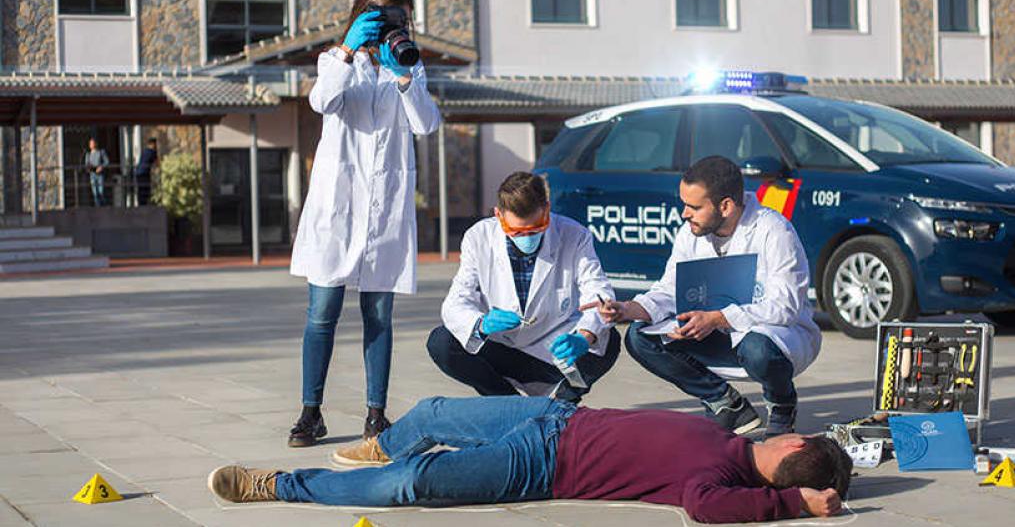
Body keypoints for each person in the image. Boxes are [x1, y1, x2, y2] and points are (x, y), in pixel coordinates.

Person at [208, 396, 851, 523]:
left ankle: (279, 485)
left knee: (409, 485)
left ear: (794, 446)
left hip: (539, 464)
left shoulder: (718, 477)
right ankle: (383, 442)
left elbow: (705, 509)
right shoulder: (726, 438)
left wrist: (793, 503)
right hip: (553, 413)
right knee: (431, 413)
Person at [286, 0, 440, 448]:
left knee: (379, 316)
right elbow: (321, 101)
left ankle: (376, 413)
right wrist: (348, 51)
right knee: (322, 314)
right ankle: (310, 413)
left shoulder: (408, 64)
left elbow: (426, 124)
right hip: (337, 210)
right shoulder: (336, 61)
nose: (398, 26)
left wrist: (404, 77)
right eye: (389, 17)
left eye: (403, 19)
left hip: (383, 212)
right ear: (365, 16)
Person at [586, 156, 821, 437]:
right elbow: (669, 289)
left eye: (694, 207)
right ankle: (725, 403)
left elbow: (786, 307)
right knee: (639, 337)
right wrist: (628, 308)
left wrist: (718, 318)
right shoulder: (691, 233)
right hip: (714, 332)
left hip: (774, 338)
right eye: (684, 204)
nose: (684, 214)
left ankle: (781, 403)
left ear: (726, 206)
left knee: (757, 349)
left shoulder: (774, 230)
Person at [420, 173, 617, 402]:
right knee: (442, 343)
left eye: (536, 229)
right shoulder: (478, 237)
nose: (526, 238)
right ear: (498, 215)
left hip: (553, 351)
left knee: (608, 339)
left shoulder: (575, 235)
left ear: (547, 209)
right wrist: (481, 324)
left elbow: (598, 293)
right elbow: (455, 303)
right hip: (502, 349)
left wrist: (584, 336)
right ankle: (510, 404)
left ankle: (561, 403)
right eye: (516, 232)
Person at [84, 138, 109, 207]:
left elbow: (107, 162)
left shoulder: (101, 152)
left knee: (101, 192)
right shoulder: (88, 154)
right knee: (95, 193)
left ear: (96, 144)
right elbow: (86, 165)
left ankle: (104, 206)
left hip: (100, 175)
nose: (92, 145)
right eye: (90, 144)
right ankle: (97, 207)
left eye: (93, 143)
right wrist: (89, 168)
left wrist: (101, 167)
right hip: (92, 175)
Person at [134, 138, 158, 206]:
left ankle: (141, 204)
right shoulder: (152, 152)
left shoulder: (144, 151)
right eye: (155, 144)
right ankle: (144, 204)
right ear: (153, 144)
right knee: (146, 189)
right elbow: (157, 163)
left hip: (139, 172)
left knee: (141, 189)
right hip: (144, 173)